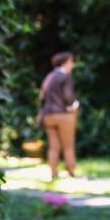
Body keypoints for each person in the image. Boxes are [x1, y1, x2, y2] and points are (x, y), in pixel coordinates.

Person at [39, 51, 79, 181]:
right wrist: (74, 105)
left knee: (53, 146)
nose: (72, 65)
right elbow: (68, 97)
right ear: (65, 63)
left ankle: (53, 173)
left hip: (48, 115)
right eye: (71, 62)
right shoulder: (65, 76)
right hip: (63, 115)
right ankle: (71, 172)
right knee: (68, 146)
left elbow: (42, 97)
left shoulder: (49, 76)